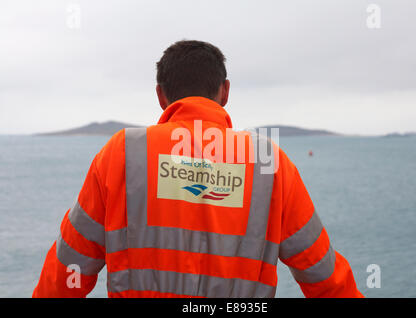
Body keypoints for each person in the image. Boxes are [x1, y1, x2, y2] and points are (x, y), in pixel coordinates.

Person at [33, 40, 363, 298]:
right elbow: (325, 277)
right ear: (225, 91)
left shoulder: (122, 152)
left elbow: (68, 268)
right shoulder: (269, 162)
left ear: (161, 96)